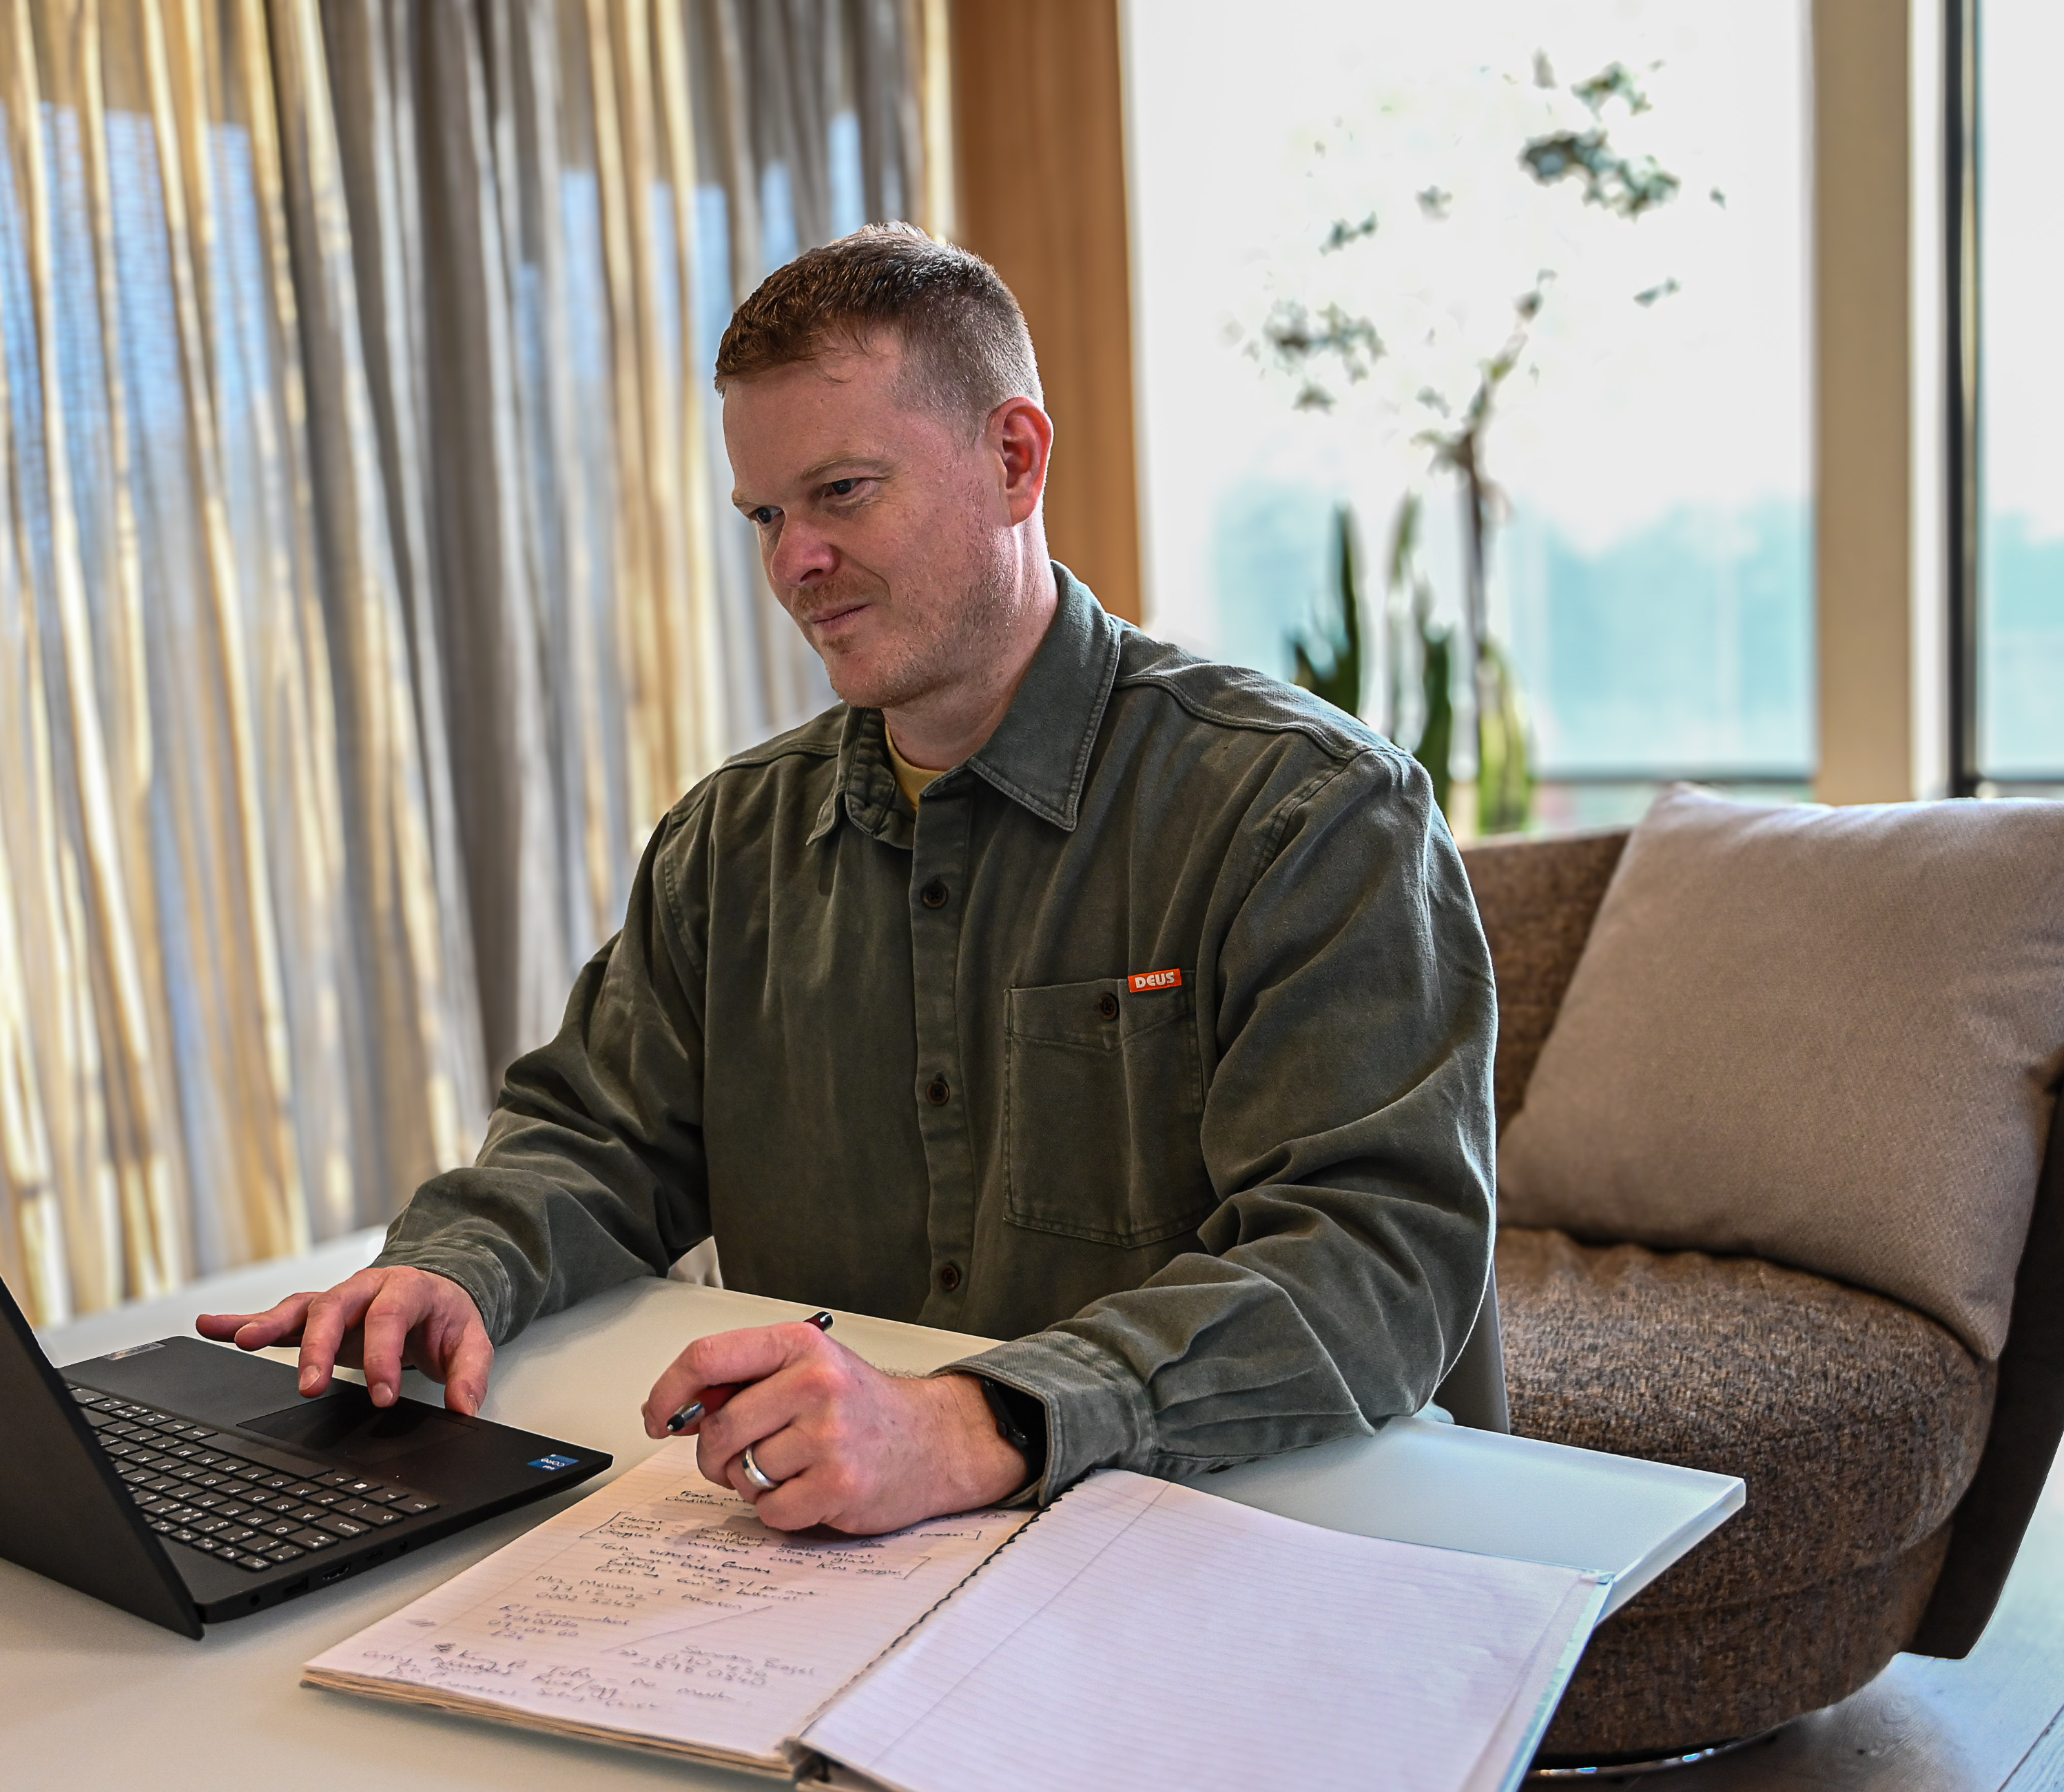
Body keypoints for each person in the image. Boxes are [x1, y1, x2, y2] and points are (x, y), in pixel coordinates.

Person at [198, 224, 1496, 1537]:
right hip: (831, 1565)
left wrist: (978, 1417)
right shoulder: (730, 840)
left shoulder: (1309, 812)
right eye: (766, 513)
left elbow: (1375, 1260)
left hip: (1247, 1540)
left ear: (1014, 459)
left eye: (844, 492)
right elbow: (598, 1134)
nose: (791, 563)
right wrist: (451, 1266)